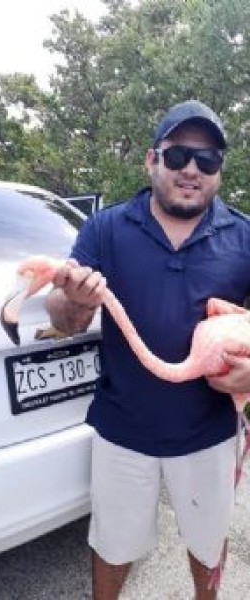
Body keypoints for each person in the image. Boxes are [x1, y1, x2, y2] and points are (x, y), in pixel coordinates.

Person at [45, 99, 250, 599]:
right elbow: (64, 318)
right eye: (178, 155)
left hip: (209, 433)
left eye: (207, 160)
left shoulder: (244, 237)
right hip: (123, 428)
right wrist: (71, 300)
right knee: (112, 546)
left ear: (219, 170)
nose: (191, 170)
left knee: (207, 548)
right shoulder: (106, 229)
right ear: (151, 159)